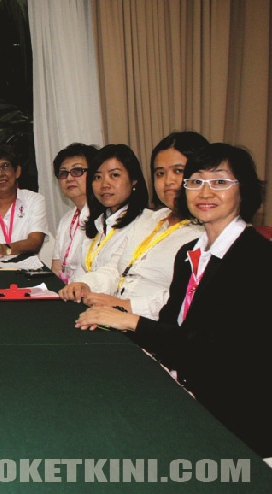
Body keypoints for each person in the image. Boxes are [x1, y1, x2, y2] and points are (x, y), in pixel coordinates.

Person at [75, 143, 272, 459]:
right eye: (196, 181)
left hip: (231, 421)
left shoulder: (258, 259)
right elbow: (170, 328)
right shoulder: (189, 253)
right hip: (184, 391)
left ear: (244, 190)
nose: (205, 192)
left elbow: (213, 352)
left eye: (220, 181)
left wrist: (131, 320)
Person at [59, 132, 207, 318]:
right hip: (115, 314)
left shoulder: (205, 233)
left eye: (178, 171)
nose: (168, 181)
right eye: (160, 173)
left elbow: (186, 299)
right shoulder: (151, 219)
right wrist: (86, 284)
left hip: (148, 323)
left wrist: (125, 306)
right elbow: (116, 269)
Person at [71, 144, 150, 278]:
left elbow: (115, 274)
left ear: (134, 180)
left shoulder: (144, 224)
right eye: (97, 177)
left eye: (114, 175)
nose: (104, 185)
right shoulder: (98, 222)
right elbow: (81, 271)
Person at [49, 143, 97, 282]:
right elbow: (56, 269)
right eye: (63, 173)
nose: (69, 178)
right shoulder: (66, 219)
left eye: (77, 171)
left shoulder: (103, 218)